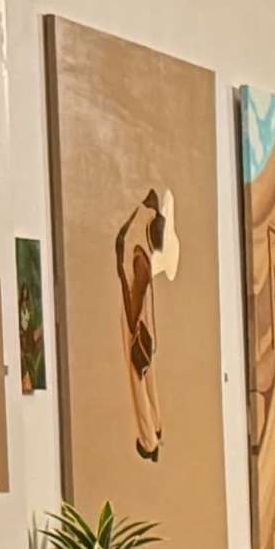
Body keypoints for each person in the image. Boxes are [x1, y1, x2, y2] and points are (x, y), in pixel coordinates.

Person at [115, 185, 180, 463]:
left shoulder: (137, 249)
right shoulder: (139, 238)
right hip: (143, 319)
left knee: (138, 380)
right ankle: (155, 427)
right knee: (147, 376)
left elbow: (138, 288)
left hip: (136, 318)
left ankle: (149, 438)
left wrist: (132, 324)